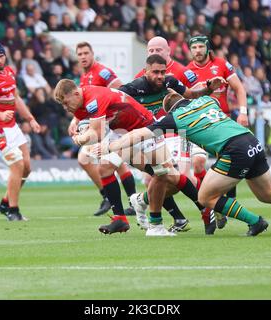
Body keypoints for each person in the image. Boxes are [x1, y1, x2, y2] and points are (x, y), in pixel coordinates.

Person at [104, 92, 271, 236]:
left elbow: (141, 135)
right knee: (268, 193)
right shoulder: (208, 101)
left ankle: (255, 222)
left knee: (205, 197)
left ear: (169, 111)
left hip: (233, 149)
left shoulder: (174, 118)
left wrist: (112, 146)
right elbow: (199, 94)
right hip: (251, 141)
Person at [54, 79, 210, 236]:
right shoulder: (80, 99)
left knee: (168, 175)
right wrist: (77, 123)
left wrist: (79, 139)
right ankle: (121, 219)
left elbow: (97, 133)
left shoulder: (94, 97)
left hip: (146, 128)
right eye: (63, 105)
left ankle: (203, 208)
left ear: (75, 93)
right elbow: (91, 120)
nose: (66, 108)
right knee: (106, 168)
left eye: (66, 103)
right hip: (123, 134)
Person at [119, 54, 223, 234]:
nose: (160, 76)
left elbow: (190, 94)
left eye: (162, 72)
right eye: (155, 72)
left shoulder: (170, 82)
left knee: (175, 176)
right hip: (144, 137)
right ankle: (197, 211)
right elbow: (108, 99)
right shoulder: (133, 88)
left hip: (172, 132)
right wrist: (80, 121)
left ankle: (147, 206)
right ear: (145, 72)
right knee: (164, 176)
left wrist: (208, 88)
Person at [0, 42, 41, 221]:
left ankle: (5, 203)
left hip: (12, 126)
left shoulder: (10, 71)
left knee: (27, 167)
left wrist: (30, 119)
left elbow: (16, 98)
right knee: (17, 165)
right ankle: (13, 210)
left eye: (1, 56)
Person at [187, 35, 249, 227]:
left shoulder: (221, 64)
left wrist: (243, 113)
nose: (197, 50)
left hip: (224, 123)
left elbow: (239, 88)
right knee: (198, 164)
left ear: (207, 48)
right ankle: (213, 203)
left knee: (231, 164)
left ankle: (226, 204)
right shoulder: (187, 71)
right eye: (194, 47)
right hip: (199, 126)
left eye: (200, 46)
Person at [70, 41, 137, 217]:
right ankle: (128, 200)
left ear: (92, 54)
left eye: (86, 53)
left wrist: (114, 116)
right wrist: (75, 119)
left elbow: (120, 89)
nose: (83, 56)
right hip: (101, 123)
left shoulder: (102, 72)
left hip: (108, 123)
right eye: (80, 54)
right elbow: (84, 103)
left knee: (86, 158)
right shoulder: (84, 77)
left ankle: (111, 197)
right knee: (116, 163)